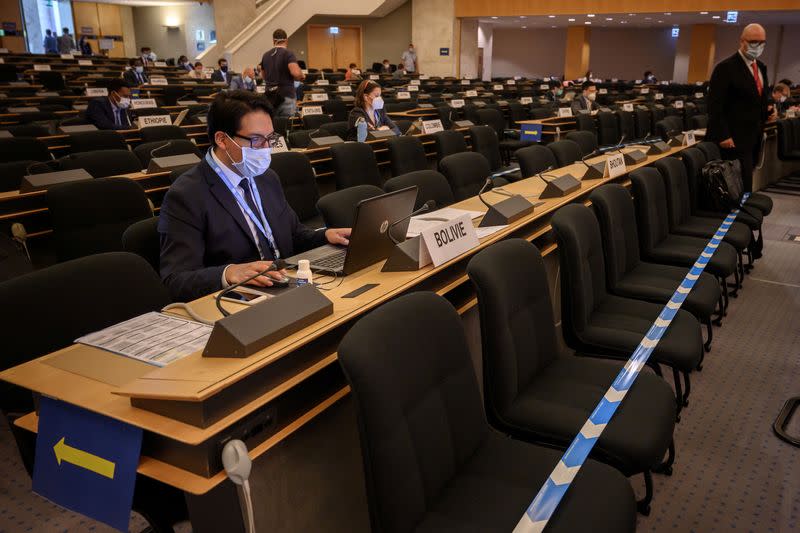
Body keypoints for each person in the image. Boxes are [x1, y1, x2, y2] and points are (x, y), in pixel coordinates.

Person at [157, 91, 351, 302]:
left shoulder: (266, 177)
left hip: (285, 284)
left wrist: (325, 235)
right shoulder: (187, 195)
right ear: (222, 139)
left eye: (270, 139)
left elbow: (293, 235)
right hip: (239, 299)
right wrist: (228, 273)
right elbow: (176, 279)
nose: (266, 148)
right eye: (257, 140)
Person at [707, 23, 770, 194]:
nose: (758, 47)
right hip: (733, 138)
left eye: (762, 42)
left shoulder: (761, 67)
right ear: (742, 41)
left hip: (753, 134)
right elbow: (715, 105)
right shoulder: (726, 68)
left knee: (747, 180)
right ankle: (736, 217)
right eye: (753, 42)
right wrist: (723, 134)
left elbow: (760, 98)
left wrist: (769, 109)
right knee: (737, 185)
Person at [261, 28, 305, 119]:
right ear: (286, 40)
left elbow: (263, 76)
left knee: (273, 127)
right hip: (286, 96)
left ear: (273, 41)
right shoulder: (288, 54)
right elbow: (295, 73)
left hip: (270, 98)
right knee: (286, 128)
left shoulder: (265, 55)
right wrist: (302, 76)